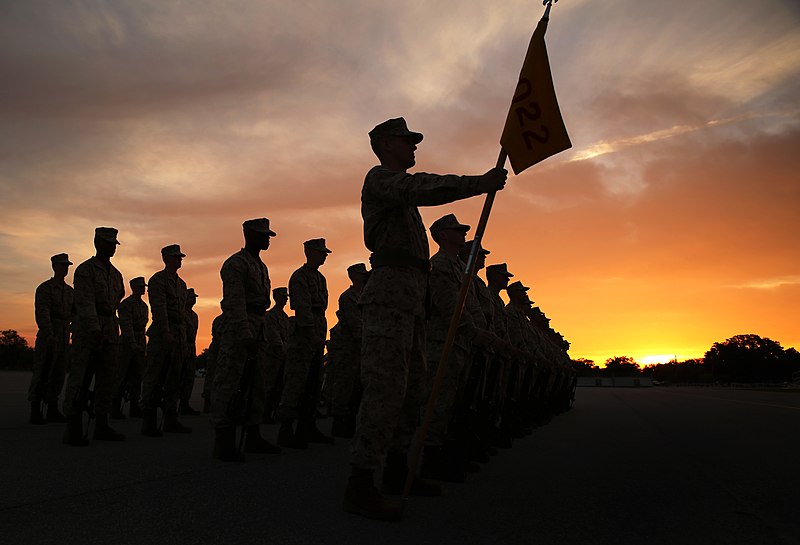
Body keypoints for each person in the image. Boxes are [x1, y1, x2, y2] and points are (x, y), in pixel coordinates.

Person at [344, 117, 507, 520]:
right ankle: (361, 483)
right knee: (386, 388)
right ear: (384, 145)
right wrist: (476, 183)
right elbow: (424, 187)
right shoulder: (382, 179)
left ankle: (398, 472)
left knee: (413, 389)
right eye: (406, 141)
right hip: (389, 298)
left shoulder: (403, 200)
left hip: (412, 301)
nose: (413, 146)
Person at [211, 218, 281, 462]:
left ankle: (253, 434)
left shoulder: (260, 266)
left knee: (257, 384)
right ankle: (224, 439)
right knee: (230, 382)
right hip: (240, 329)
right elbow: (234, 302)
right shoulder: (235, 264)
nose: (267, 239)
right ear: (249, 235)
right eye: (262, 235)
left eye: (268, 235)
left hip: (258, 327)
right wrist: (244, 333)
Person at [63, 227, 126, 445]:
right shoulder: (85, 270)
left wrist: (108, 328)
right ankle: (73, 426)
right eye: (108, 243)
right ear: (97, 243)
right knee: (80, 378)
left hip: (109, 327)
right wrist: (94, 329)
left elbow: (118, 298)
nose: (112, 247)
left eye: (114, 244)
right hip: (89, 330)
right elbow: (84, 302)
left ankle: (101, 424)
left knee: (107, 378)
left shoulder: (116, 275)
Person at [277, 238, 333, 448]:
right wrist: (311, 334)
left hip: (318, 328)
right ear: (309, 252)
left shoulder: (321, 278)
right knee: (296, 381)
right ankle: (286, 428)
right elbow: (302, 309)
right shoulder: (299, 277)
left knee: (313, 382)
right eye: (321, 252)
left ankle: (307, 427)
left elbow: (321, 307)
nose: (324, 255)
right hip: (304, 335)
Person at [140, 244, 192, 436]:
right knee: (155, 376)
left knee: (174, 378)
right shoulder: (157, 280)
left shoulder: (181, 284)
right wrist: (166, 332)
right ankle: (149, 421)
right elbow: (159, 309)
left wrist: (183, 337)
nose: (179, 259)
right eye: (175, 257)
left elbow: (183, 313)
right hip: (163, 333)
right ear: (165, 258)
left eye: (180, 257)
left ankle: (171, 418)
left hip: (178, 332)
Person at [28, 253, 74, 424]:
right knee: (42, 371)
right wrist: (49, 333)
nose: (65, 268)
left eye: (67, 266)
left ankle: (52, 408)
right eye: (62, 265)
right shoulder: (45, 288)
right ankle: (35, 409)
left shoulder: (70, 292)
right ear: (54, 266)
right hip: (49, 334)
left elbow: (75, 314)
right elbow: (42, 312)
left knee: (58, 373)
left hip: (64, 334)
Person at [330, 263, 369, 438]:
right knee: (344, 384)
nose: (364, 276)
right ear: (353, 276)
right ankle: (339, 424)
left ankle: (351, 421)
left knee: (356, 386)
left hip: (360, 346)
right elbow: (356, 324)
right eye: (361, 274)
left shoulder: (365, 294)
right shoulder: (348, 297)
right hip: (349, 347)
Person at [112, 276, 148, 419]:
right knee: (121, 375)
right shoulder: (125, 305)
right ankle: (114, 407)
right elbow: (126, 325)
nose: (142, 289)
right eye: (140, 286)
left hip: (140, 340)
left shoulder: (144, 306)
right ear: (133, 288)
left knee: (137, 376)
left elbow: (143, 325)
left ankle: (134, 406)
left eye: (143, 287)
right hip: (127, 343)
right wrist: (132, 343)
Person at [263, 287, 290, 423]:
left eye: (286, 296)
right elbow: (273, 337)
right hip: (272, 355)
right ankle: (265, 413)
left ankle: (274, 412)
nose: (286, 299)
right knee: (269, 386)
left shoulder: (285, 317)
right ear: (276, 297)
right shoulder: (270, 315)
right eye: (283, 296)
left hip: (283, 355)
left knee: (280, 386)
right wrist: (282, 349)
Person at [179, 288, 200, 415]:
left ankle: (184, 403)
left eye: (195, 298)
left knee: (189, 377)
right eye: (191, 297)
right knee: (178, 376)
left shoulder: (194, 315)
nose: (194, 300)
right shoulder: (181, 313)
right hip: (182, 346)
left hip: (191, 347)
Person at [202, 313, 223, 414]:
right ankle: (207, 403)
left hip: (225, 350)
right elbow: (217, 336)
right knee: (211, 377)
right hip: (216, 350)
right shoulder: (219, 320)